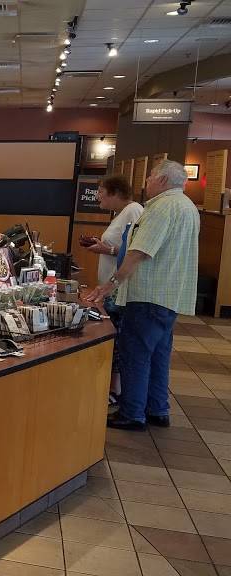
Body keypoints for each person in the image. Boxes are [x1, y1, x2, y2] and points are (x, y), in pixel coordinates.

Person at [88, 160, 199, 430]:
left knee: (135, 354)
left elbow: (139, 252)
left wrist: (110, 284)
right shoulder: (188, 207)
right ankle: (157, 409)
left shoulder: (161, 208)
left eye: (150, 177)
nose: (146, 181)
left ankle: (132, 413)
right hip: (170, 296)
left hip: (147, 295)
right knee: (159, 355)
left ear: (162, 180)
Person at [83, 175, 143, 404]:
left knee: (117, 341)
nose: (97, 195)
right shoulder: (121, 213)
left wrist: (106, 250)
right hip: (111, 288)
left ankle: (116, 391)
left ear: (115, 192)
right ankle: (113, 389)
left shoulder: (133, 211)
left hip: (119, 290)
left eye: (101, 191)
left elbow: (135, 251)